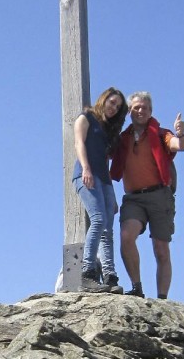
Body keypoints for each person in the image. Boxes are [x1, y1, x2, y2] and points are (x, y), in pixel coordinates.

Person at [109, 91, 184, 299]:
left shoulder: (161, 134)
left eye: (144, 107)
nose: (140, 111)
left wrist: (181, 134)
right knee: (127, 237)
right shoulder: (123, 138)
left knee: (161, 249)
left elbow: (180, 146)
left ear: (150, 111)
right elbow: (105, 152)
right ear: (129, 111)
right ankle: (137, 287)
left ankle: (162, 297)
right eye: (136, 107)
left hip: (159, 196)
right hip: (134, 198)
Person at [73, 87, 128, 293]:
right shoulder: (86, 116)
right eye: (112, 102)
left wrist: (111, 195)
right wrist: (86, 168)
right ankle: (88, 272)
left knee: (107, 229)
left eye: (118, 106)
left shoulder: (107, 130)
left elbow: (105, 161)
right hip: (86, 174)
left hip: (104, 180)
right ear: (104, 99)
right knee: (98, 219)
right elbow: (79, 143)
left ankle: (110, 275)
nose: (114, 108)